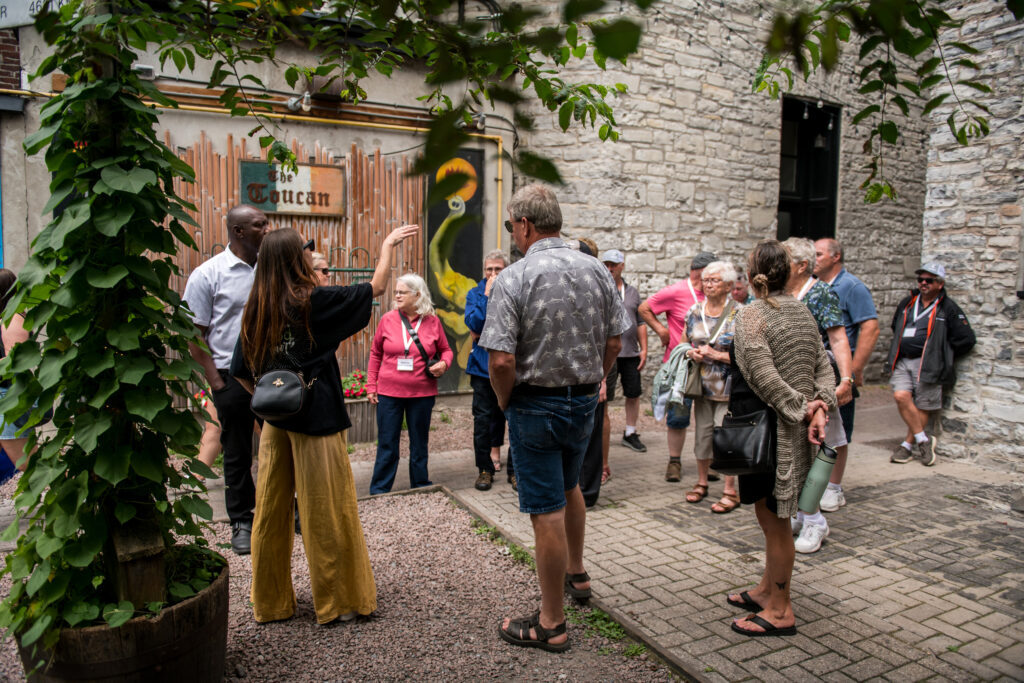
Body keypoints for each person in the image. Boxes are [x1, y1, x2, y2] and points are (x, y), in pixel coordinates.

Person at [230, 224, 418, 625]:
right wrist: (385, 246)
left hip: (276, 426)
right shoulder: (313, 302)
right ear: (294, 259)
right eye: (304, 250)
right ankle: (338, 601)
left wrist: (269, 407)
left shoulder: (256, 306)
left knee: (269, 514)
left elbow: (241, 372)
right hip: (317, 421)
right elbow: (377, 288)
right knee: (325, 511)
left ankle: (271, 603)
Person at [482, 184, 627, 653]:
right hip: (585, 400)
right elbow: (614, 343)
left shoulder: (515, 277)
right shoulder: (599, 271)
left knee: (546, 510)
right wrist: (593, 381)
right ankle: (577, 576)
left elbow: (501, 361)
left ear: (524, 225)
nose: (512, 234)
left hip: (534, 403)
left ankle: (551, 622)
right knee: (571, 488)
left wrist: (505, 403)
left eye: (511, 227)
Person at [726, 239, 835, 637]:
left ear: (753, 273)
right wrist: (819, 405)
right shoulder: (802, 311)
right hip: (789, 429)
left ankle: (780, 610)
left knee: (776, 522)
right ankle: (766, 589)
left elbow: (762, 373)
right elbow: (826, 368)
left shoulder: (754, 314)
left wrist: (803, 407)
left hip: (773, 435)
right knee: (769, 515)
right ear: (788, 272)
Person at [184, 205, 267, 555]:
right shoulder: (207, 275)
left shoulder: (271, 269)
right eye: (259, 224)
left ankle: (288, 508)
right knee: (236, 452)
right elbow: (193, 335)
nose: (267, 228)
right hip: (231, 379)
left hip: (272, 374)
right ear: (238, 231)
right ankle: (242, 521)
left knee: (284, 445)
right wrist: (217, 382)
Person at [783, 238, 855, 553]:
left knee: (819, 449)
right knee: (795, 451)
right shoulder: (782, 293)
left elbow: (838, 339)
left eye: (785, 259)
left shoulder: (820, 292)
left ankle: (814, 520)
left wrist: (847, 379)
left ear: (801, 265)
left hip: (817, 379)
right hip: (790, 381)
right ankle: (804, 512)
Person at [367, 273, 453, 494]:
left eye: (401, 292)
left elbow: (446, 350)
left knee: (419, 443)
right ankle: (379, 489)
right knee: (387, 443)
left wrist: (444, 364)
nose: (396, 295)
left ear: (417, 295)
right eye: (395, 292)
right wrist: (371, 385)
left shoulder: (433, 322)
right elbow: (376, 353)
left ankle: (420, 484)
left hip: (421, 394)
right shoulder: (387, 319)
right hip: (389, 393)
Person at [812, 238, 879, 512]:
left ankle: (834, 488)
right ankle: (816, 484)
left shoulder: (851, 286)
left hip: (840, 371)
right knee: (821, 429)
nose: (814, 258)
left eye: (818, 254)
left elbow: (870, 327)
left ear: (836, 256)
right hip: (819, 370)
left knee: (839, 432)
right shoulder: (816, 287)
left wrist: (854, 371)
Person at [886, 261, 975, 466]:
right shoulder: (908, 303)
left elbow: (966, 339)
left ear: (940, 284)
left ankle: (908, 446)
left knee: (923, 405)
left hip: (928, 363)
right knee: (901, 396)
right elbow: (895, 325)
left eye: (929, 280)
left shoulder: (948, 307)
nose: (924, 283)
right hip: (903, 360)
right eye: (921, 279)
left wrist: (943, 354)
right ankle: (924, 440)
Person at [638, 251, 715, 482]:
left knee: (709, 417)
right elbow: (644, 308)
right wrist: (661, 330)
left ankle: (707, 463)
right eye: (710, 275)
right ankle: (674, 461)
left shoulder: (715, 294)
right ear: (699, 272)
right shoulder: (676, 291)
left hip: (710, 364)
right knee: (678, 416)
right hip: (681, 365)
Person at [680, 261, 742, 513]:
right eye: (706, 280)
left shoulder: (741, 313)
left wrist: (717, 356)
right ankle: (702, 482)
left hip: (729, 387)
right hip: (702, 387)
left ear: (729, 285)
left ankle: (730, 490)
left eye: (714, 280)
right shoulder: (694, 311)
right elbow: (683, 343)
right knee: (703, 435)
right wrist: (691, 353)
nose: (708, 284)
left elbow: (749, 356)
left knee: (725, 435)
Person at [465, 249, 512, 491]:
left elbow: (515, 328)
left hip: (510, 368)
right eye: (489, 269)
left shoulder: (514, 291)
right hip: (482, 369)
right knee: (483, 421)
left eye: (498, 269)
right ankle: (484, 469)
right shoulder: (475, 293)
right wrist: (486, 296)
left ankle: (515, 470)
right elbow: (474, 324)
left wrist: (483, 334)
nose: (493, 274)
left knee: (513, 420)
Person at [600, 250, 649, 478]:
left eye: (614, 265)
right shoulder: (600, 288)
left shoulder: (631, 292)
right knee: (605, 396)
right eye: (606, 264)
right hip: (609, 354)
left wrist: (645, 348)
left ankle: (630, 432)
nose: (610, 269)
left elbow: (640, 322)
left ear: (622, 266)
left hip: (629, 352)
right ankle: (604, 434)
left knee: (633, 392)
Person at [0, 269, 36, 477]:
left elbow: (15, 363)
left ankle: (71, 494)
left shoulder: (13, 321)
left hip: (8, 398)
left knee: (27, 462)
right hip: (6, 396)